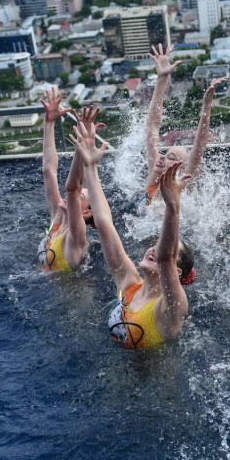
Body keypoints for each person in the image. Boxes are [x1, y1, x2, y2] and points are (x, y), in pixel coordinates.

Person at [71, 109, 196, 350]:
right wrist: (90, 168)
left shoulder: (172, 307)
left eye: (164, 249)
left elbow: (164, 257)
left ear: (177, 271)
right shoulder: (130, 284)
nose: (154, 248)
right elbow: (105, 223)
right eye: (156, 245)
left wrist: (172, 207)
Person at [139, 44, 225, 209]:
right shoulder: (155, 174)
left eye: (171, 157)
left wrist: (207, 106)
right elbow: (152, 128)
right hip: (144, 223)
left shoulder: (185, 184)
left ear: (183, 168)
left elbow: (199, 146)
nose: (163, 157)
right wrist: (162, 79)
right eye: (166, 153)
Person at [36, 88, 93, 272]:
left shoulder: (77, 238)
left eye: (80, 198)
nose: (72, 197)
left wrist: (81, 144)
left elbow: (73, 187)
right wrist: (49, 122)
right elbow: (48, 170)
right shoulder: (57, 219)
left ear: (85, 214)